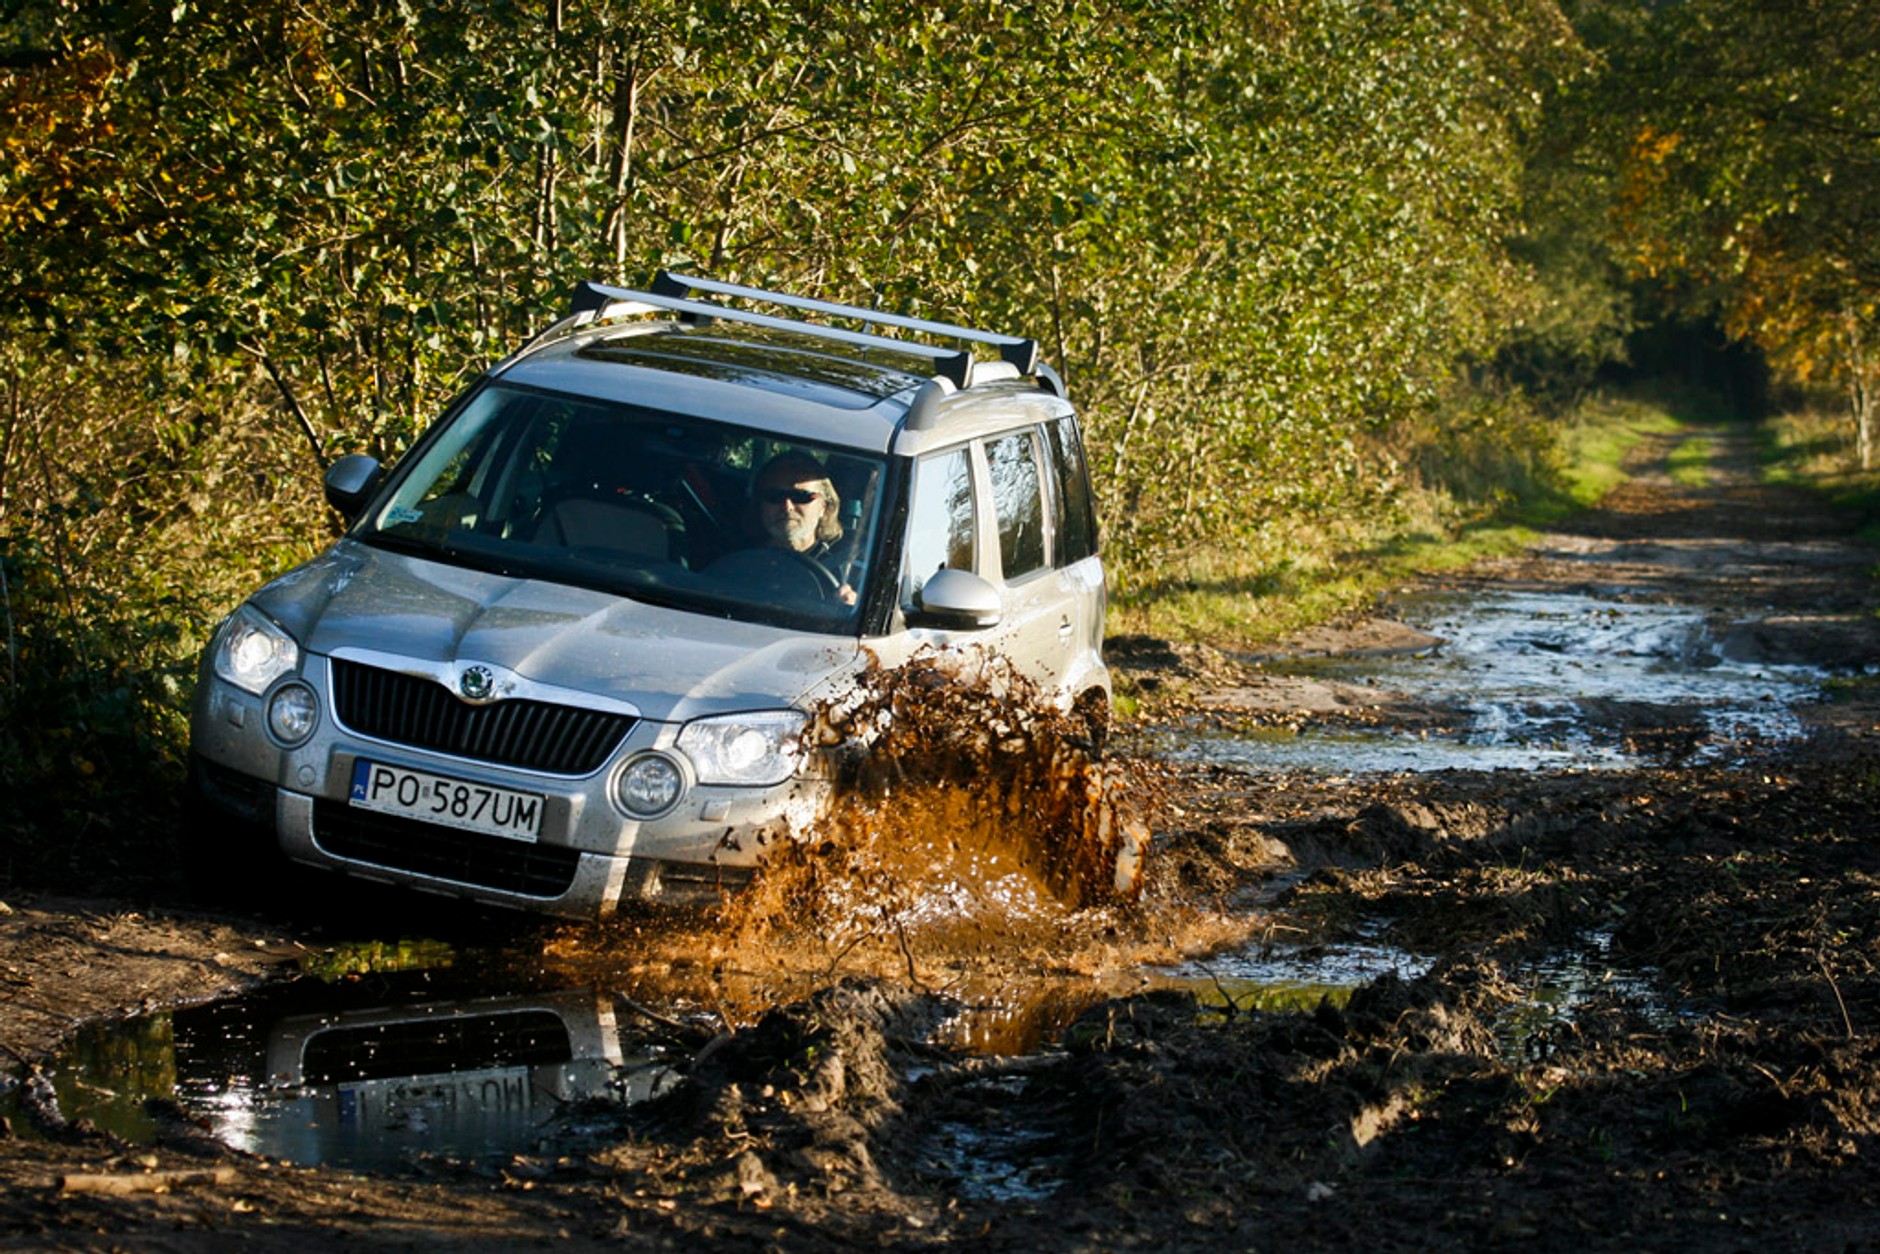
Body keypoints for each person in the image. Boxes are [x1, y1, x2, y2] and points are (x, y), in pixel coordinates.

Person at [749, 449, 857, 604]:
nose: (787, 506)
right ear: (760, 503)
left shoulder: (851, 570)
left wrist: (851, 607)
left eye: (800, 497)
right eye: (774, 496)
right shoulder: (731, 558)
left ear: (824, 507)